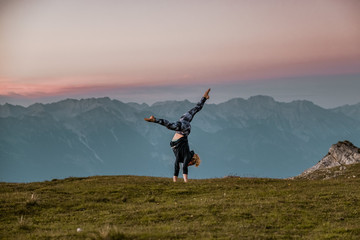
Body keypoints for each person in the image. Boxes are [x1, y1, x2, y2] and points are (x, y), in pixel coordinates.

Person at [144, 88, 211, 182]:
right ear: (191, 161)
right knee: (171, 126)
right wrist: (186, 181)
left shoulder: (181, 157)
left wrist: (175, 181)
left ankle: (204, 97)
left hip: (183, 123)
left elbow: (176, 166)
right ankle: (154, 120)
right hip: (184, 130)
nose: (188, 164)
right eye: (190, 164)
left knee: (195, 110)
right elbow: (184, 168)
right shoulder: (188, 156)